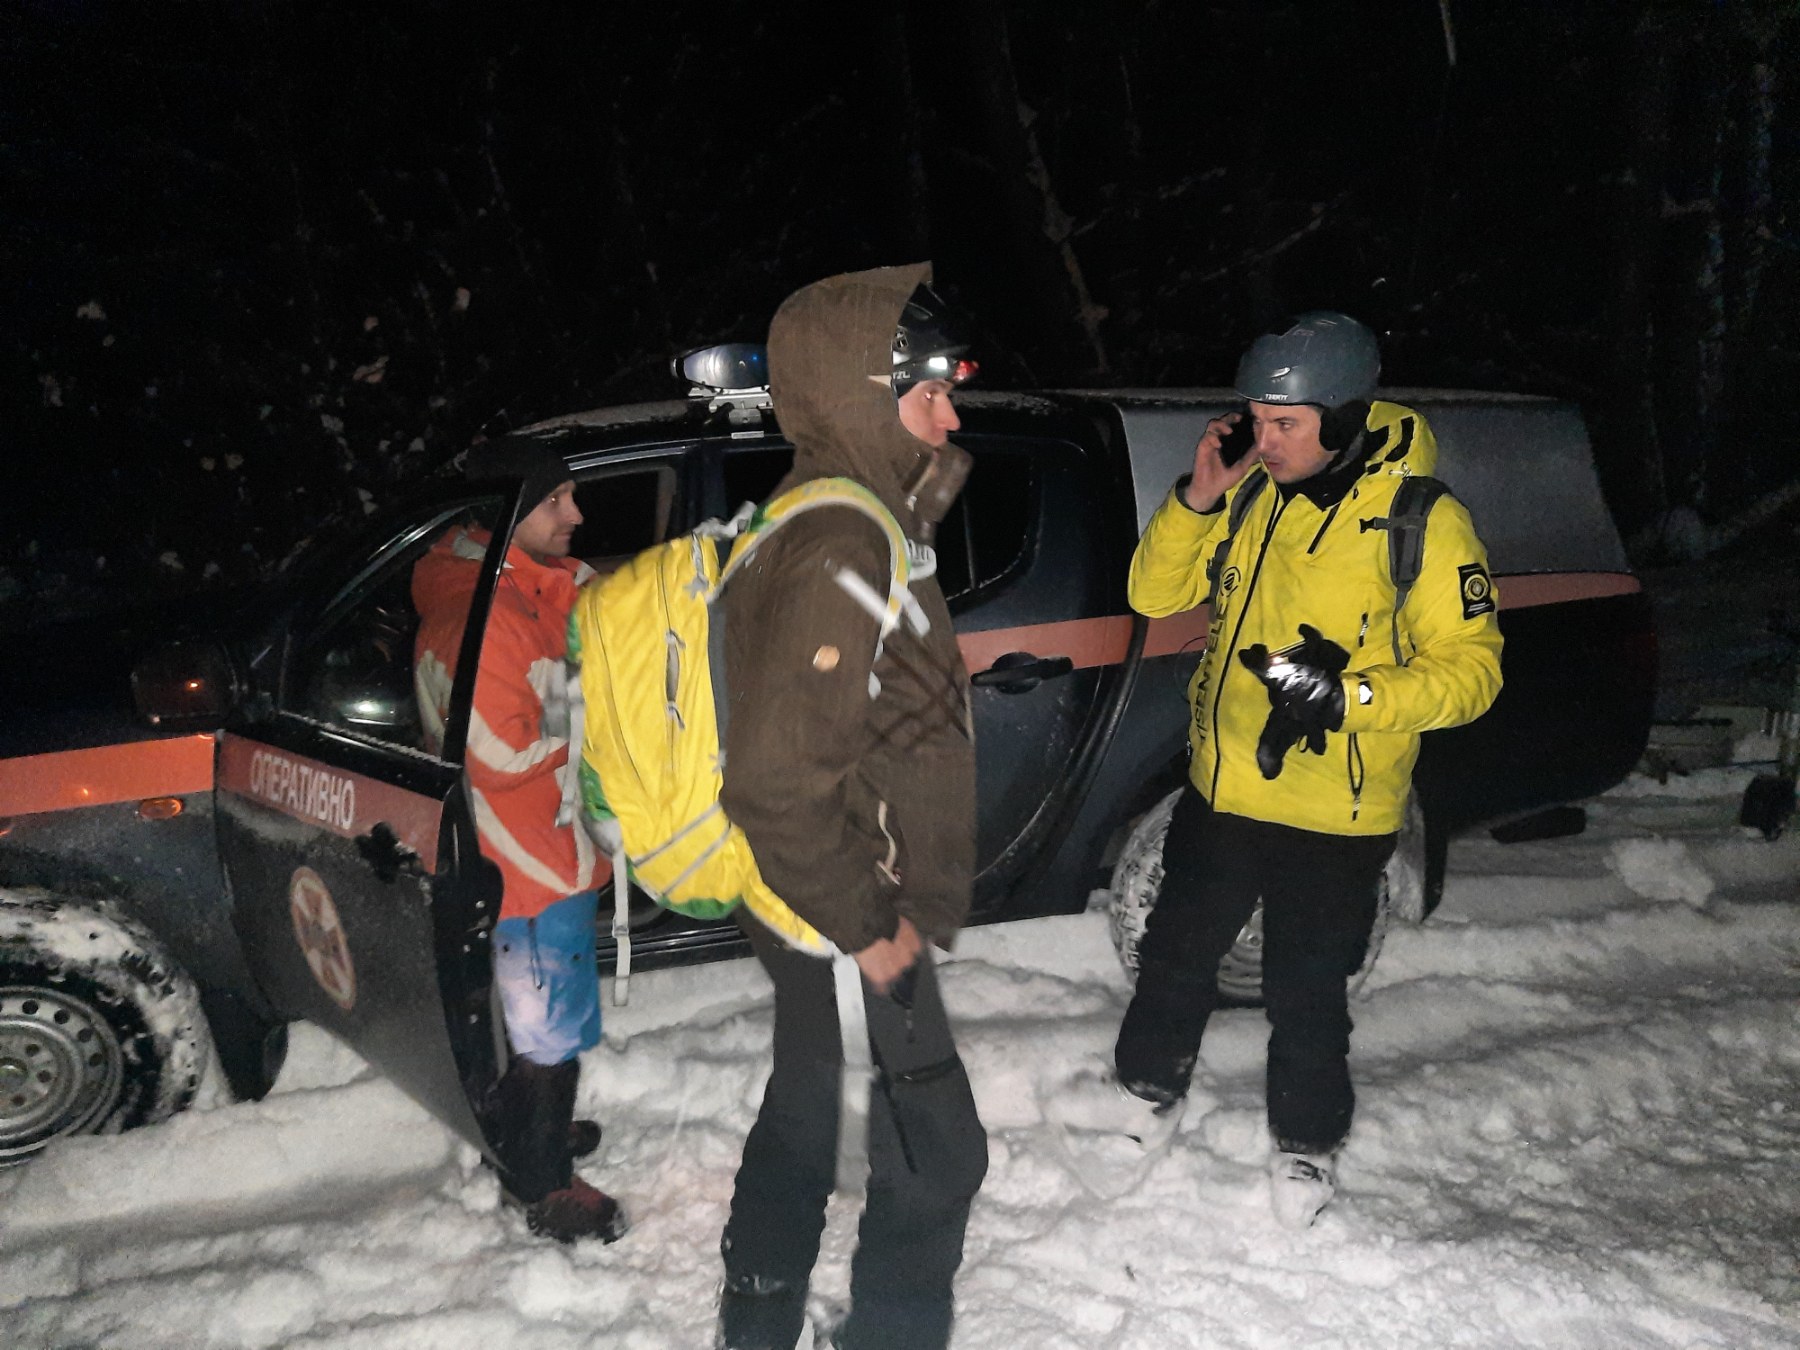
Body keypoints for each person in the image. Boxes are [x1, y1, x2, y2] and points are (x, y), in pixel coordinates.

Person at [1112, 312, 1503, 1228]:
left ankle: (1305, 1149)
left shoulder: (1422, 521)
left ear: (1348, 416)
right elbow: (1152, 593)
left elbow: (1475, 672)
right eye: (1256, 418)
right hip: (1223, 787)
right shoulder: (1250, 496)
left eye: (1286, 422)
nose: (1266, 439)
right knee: (1174, 955)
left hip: (1337, 810)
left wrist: (1351, 699)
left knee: (1305, 990)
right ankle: (1141, 1095)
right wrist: (1198, 499)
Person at [713, 264, 989, 1350]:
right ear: (863, 395)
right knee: (935, 1153)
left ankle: (759, 1324)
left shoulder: (833, 512)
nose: (951, 416)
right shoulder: (842, 545)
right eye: (928, 397)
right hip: (845, 915)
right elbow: (777, 782)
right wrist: (875, 934)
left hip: (812, 910)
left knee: (806, 1116)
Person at [411, 448, 627, 1244]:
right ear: (505, 517)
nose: (575, 515)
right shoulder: (485, 618)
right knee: (549, 1036)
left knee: (540, 1026)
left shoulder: (516, 592)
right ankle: (543, 1183)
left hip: (542, 846)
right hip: (529, 868)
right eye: (556, 501)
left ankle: (532, 1130)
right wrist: (594, 713)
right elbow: (496, 756)